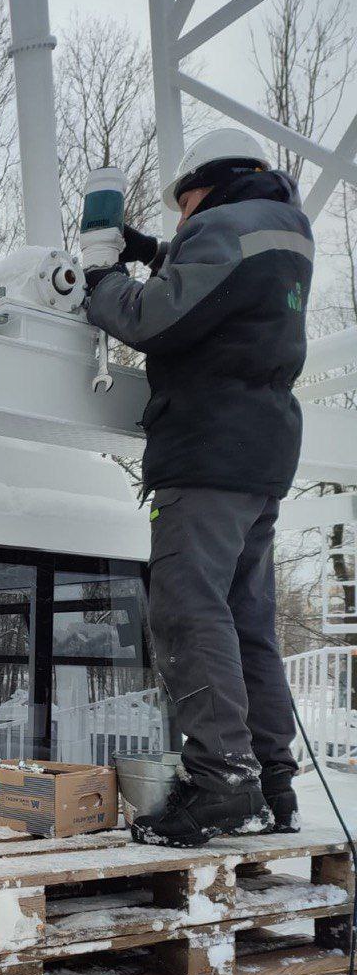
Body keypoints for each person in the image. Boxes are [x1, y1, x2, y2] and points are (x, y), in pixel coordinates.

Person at [83, 128, 314, 846]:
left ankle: (221, 783)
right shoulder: (280, 228)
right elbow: (213, 287)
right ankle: (272, 784)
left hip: (206, 449)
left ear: (202, 186)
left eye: (182, 207)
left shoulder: (219, 228)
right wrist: (150, 249)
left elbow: (154, 315)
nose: (181, 222)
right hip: (260, 452)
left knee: (188, 610)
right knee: (246, 620)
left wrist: (101, 277)